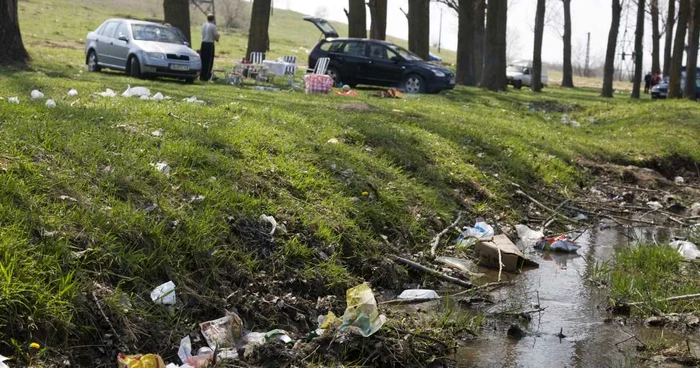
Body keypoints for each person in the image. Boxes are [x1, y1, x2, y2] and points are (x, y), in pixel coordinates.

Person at [200, 14, 220, 82]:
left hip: (203, 43)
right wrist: (218, 37)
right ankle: (206, 76)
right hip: (210, 44)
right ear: (213, 19)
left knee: (202, 59)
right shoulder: (213, 26)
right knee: (209, 61)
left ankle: (201, 75)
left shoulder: (203, 25)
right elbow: (215, 36)